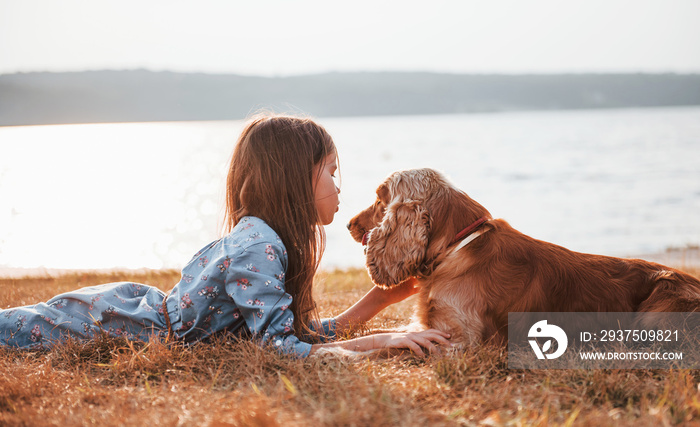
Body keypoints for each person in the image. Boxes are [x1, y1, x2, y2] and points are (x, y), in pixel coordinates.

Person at [0, 114, 451, 357]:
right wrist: (382, 342)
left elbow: (303, 334)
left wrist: (379, 302)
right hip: (113, 324)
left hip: (132, 311)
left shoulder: (269, 242)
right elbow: (285, 351)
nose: (339, 186)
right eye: (331, 172)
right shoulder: (259, 245)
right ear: (295, 178)